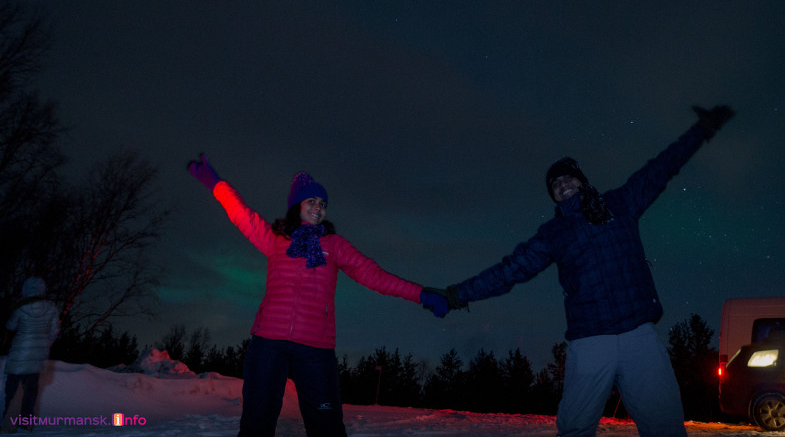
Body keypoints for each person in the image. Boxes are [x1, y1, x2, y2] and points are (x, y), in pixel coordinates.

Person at [435, 105, 733, 437]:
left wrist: (701, 131)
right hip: (591, 342)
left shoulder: (621, 203)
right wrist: (458, 294)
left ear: (581, 180)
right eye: (554, 184)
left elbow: (661, 168)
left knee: (665, 427)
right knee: (575, 428)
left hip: (639, 336)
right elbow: (510, 271)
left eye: (567, 177)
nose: (561, 185)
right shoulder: (553, 234)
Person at [187, 155, 448, 437]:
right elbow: (240, 213)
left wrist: (421, 294)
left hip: (315, 349)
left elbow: (375, 275)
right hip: (268, 345)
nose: (318, 208)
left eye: (322, 204)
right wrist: (215, 183)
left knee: (327, 428)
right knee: (256, 425)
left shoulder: (334, 245)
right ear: (296, 206)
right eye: (311, 201)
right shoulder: (276, 239)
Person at [2, 277, 60, 432]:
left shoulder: (21, 307)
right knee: (31, 391)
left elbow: (11, 326)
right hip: (38, 357)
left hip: (19, 355)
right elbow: (55, 332)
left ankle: (9, 423)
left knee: (13, 389)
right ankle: (25, 423)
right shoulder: (52, 308)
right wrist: (44, 346)